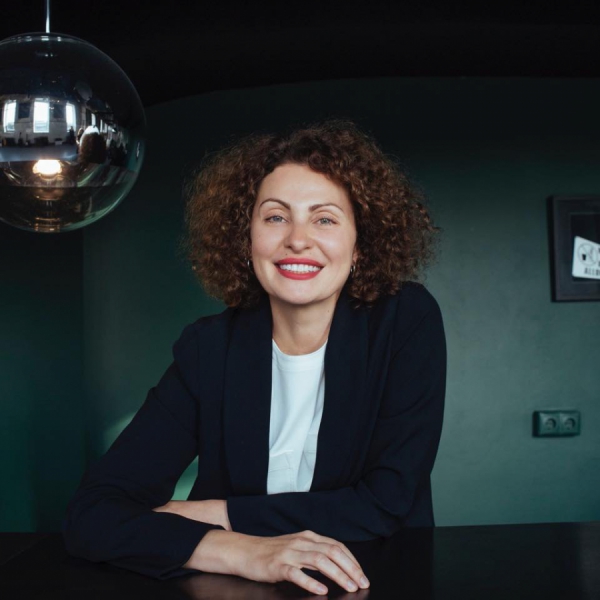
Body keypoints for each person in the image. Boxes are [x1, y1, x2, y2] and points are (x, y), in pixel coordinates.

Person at [63, 120, 446, 595]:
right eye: (275, 217)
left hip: (376, 582)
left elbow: (386, 504)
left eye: (324, 219)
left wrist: (218, 513)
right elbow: (91, 513)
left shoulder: (404, 320)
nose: (298, 239)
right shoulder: (208, 348)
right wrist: (236, 549)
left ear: (360, 247)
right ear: (246, 240)